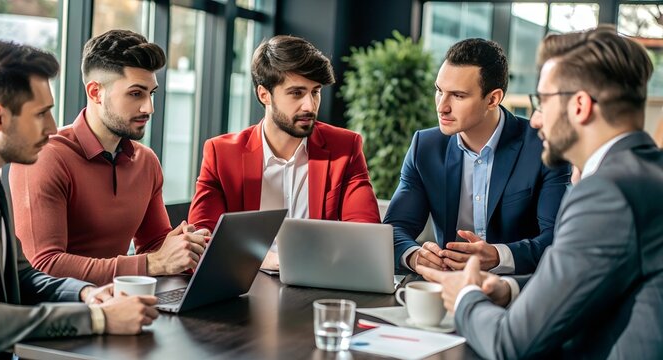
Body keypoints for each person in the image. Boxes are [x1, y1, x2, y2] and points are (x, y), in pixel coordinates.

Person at [420, 26, 663, 358]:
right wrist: (509, 289)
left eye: (543, 101)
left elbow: (510, 343)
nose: (534, 120)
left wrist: (463, 296)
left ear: (579, 106)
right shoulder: (647, 174)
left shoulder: (606, 194)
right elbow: (594, 280)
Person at [0, 39, 159, 360]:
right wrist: (97, 319)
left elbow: (21, 276)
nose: (53, 127)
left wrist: (87, 294)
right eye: (41, 114)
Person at [9, 29, 208, 286]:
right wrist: (152, 263)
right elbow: (45, 265)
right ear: (95, 93)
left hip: (124, 304)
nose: (149, 108)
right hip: (63, 315)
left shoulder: (146, 161)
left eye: (152, 93)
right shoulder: (45, 157)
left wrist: (185, 246)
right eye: (136, 93)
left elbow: (155, 244)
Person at [187, 35, 380, 270]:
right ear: (264, 95)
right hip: (244, 287)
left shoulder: (345, 148)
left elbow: (366, 235)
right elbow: (200, 243)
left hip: (318, 284)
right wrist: (266, 261)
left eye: (315, 92)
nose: (310, 106)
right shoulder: (221, 154)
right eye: (296, 93)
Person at [384, 38, 570, 275]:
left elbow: (556, 240)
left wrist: (498, 256)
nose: (442, 107)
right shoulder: (425, 146)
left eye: (458, 96)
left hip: (520, 290)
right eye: (439, 91)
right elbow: (395, 229)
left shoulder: (543, 145)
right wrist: (414, 256)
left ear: (493, 99)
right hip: (447, 286)